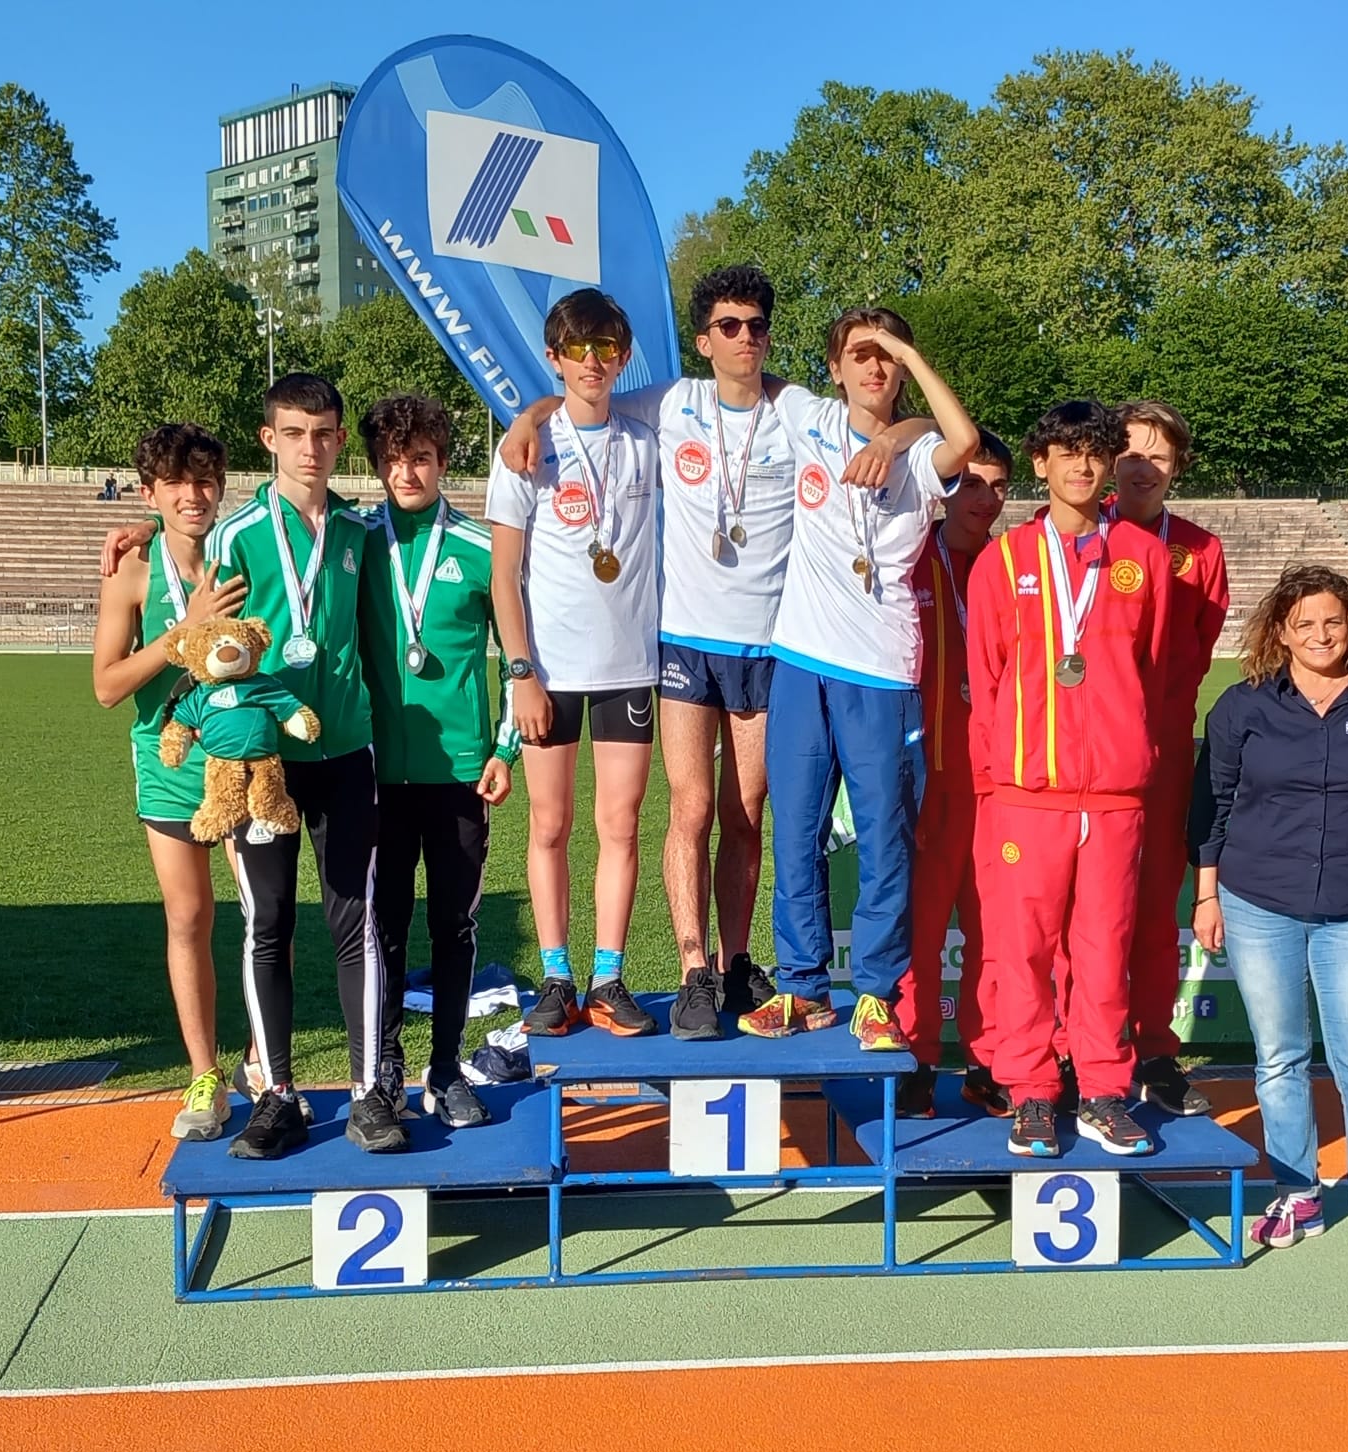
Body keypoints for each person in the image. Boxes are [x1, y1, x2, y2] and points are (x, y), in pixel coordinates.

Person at [499, 266, 926, 1041]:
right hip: (684, 642)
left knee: (747, 814)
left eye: (757, 325)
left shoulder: (796, 410)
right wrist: (528, 417)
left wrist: (898, 435)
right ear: (704, 340)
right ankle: (695, 968)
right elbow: (582, 400)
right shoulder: (672, 402)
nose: (744, 337)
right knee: (690, 808)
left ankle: (736, 963)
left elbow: (909, 421)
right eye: (729, 325)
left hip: (769, 646)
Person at [1191, 564, 1348, 1280]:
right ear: (1281, 631)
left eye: (1333, 621)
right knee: (1280, 1058)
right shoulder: (1242, 707)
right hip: (1258, 902)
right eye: (1304, 624)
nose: (1320, 635)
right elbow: (1213, 805)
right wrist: (1207, 896)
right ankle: (1296, 1194)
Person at [745, 307, 979, 1050]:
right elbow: (734, 368)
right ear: (835, 368)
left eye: (887, 356)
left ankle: (875, 994)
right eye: (860, 354)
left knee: (884, 839)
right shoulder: (807, 416)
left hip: (881, 671)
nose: (874, 367)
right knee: (797, 832)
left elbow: (965, 441)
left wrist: (899, 419)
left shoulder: (923, 452)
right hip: (800, 661)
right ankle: (802, 987)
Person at [966, 400, 1171, 1158]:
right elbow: (985, 678)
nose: (1083, 466)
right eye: (1067, 452)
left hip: (1114, 795)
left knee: (1104, 949)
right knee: (1022, 951)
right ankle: (1030, 1091)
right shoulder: (1004, 560)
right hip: (1027, 795)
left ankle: (1104, 1090)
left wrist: (1127, 751)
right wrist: (998, 780)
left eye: (1095, 452)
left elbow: (1150, 671)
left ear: (1110, 464)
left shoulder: (1143, 558)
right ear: (1041, 464)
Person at [200, 373, 393, 1160]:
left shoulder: (359, 532)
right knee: (268, 923)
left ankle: (368, 1092)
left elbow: (376, 643)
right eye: (293, 433)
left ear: (340, 440)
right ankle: (277, 1095)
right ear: (268, 440)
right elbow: (210, 650)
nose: (309, 448)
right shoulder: (239, 535)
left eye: (322, 434)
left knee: (356, 924)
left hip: (345, 753)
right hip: (263, 764)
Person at [487, 290, 663, 1039]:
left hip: (630, 667)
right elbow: (504, 577)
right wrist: (521, 672)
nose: (593, 362)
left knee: (620, 825)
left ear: (624, 356)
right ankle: (557, 978)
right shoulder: (525, 450)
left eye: (607, 348)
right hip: (549, 675)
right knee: (550, 824)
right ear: (553, 357)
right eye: (578, 349)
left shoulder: (649, 435)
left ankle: (608, 977)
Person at [355, 393, 520, 1130]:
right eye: (393, 460)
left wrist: (505, 747)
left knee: (454, 926)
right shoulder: (357, 543)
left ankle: (446, 1069)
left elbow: (520, 656)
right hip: (375, 776)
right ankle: (386, 1068)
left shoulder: (482, 550)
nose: (407, 472)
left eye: (420, 457)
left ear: (443, 461)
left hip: (460, 773)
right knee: (383, 927)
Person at [90, 423, 248, 1140]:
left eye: (205, 480)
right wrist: (182, 631)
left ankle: (264, 1063)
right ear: (149, 492)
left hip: (241, 762)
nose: (193, 495)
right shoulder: (132, 570)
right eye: (176, 483)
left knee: (264, 916)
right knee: (188, 917)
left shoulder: (242, 551)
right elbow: (106, 686)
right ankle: (203, 1074)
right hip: (167, 765)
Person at [1077, 400, 1231, 1118]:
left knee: (1150, 908)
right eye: (1131, 453)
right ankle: (1074, 1049)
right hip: (1082, 750)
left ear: (1178, 468)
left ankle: (1154, 1051)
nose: (1143, 467)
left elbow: (1195, 652)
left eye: (1159, 457)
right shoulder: (1079, 533)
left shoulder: (1200, 551)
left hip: (1161, 752)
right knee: (1078, 908)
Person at [891, 431, 1013, 1116]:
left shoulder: (1016, 568)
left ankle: (988, 1061)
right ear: (944, 490)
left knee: (995, 933)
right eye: (970, 484)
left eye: (998, 487)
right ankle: (916, 1059)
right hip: (928, 775)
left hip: (997, 782)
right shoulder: (911, 558)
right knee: (923, 930)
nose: (985, 499)